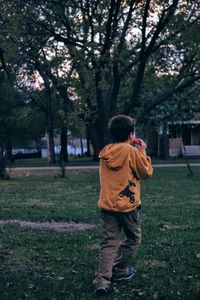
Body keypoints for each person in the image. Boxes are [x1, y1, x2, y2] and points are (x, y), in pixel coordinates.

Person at [93, 115, 153, 296]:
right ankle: (119, 270)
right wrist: (142, 152)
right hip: (128, 207)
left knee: (108, 243)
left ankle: (102, 280)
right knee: (133, 239)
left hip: (108, 206)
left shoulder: (106, 152)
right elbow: (146, 172)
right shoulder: (131, 151)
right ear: (131, 133)